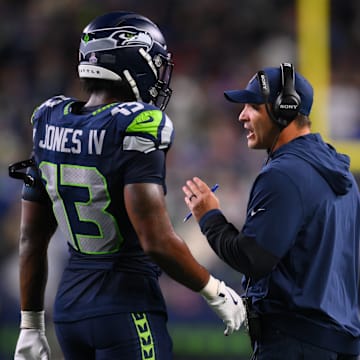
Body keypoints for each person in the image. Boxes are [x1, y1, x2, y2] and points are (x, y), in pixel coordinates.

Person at [10, 11, 247, 360]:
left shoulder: (49, 119)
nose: (159, 74)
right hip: (125, 306)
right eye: (154, 63)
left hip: (70, 307)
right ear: (130, 60)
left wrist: (30, 324)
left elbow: (31, 237)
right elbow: (155, 239)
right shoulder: (136, 124)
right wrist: (213, 289)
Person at [182, 63, 360, 359]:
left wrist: (209, 217)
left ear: (284, 108)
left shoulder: (285, 173)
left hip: (295, 342)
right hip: (340, 342)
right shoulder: (339, 171)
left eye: (253, 106)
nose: (242, 116)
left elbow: (252, 258)